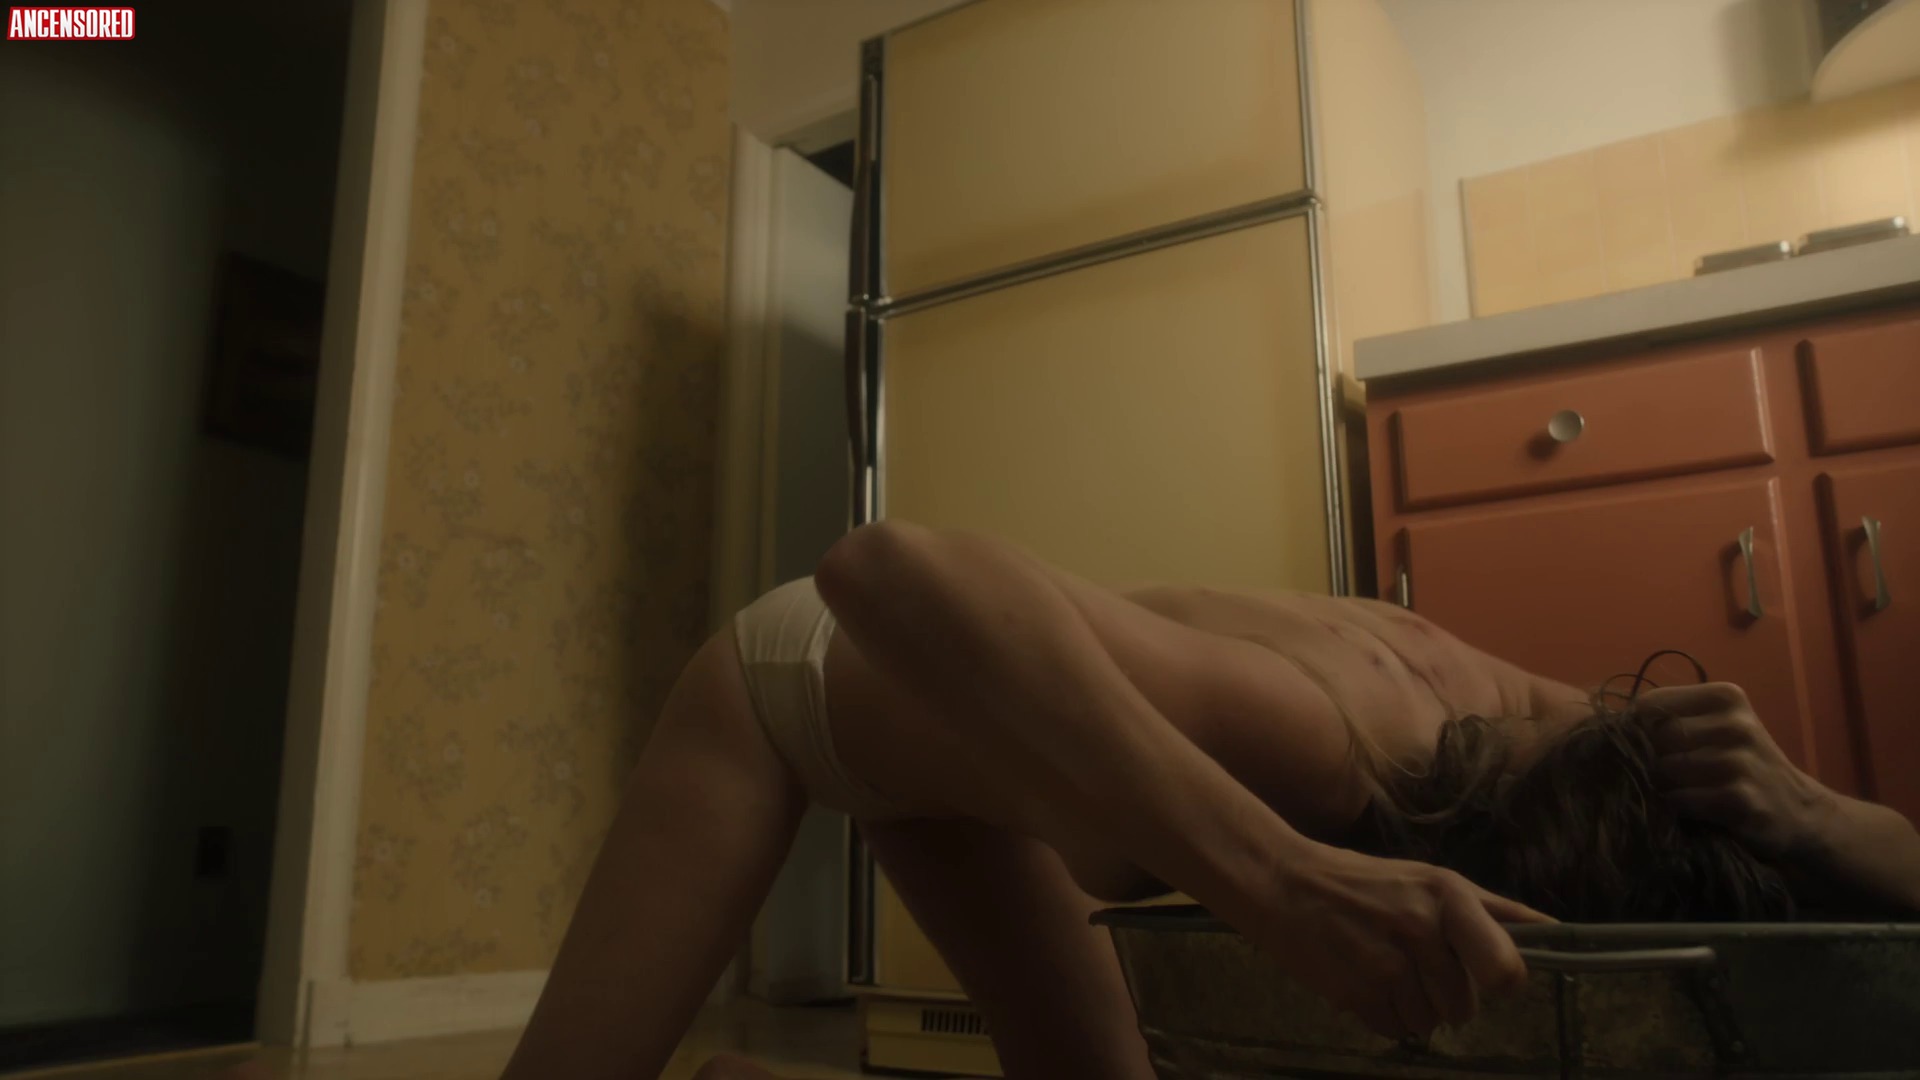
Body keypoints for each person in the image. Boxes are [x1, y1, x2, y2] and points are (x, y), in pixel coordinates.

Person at [498, 521, 1920, 1080]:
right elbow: (881, 571)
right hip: (792, 684)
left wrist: (1814, 813)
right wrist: (1282, 882)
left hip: (971, 751)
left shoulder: (1546, 727)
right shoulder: (1331, 745)